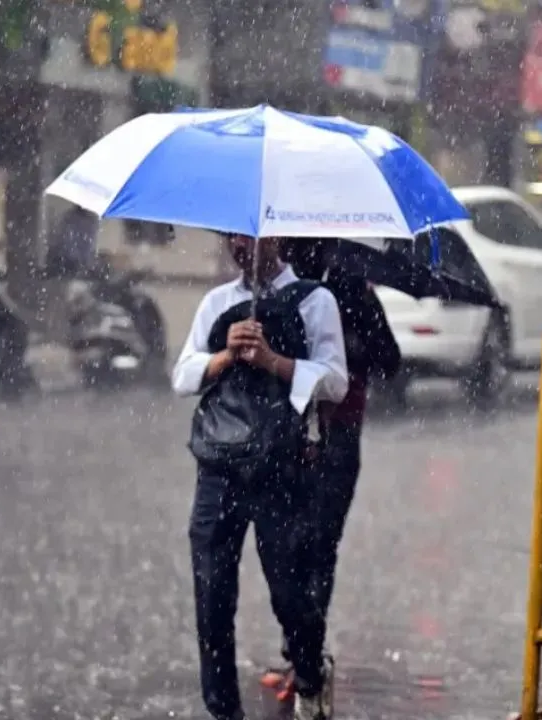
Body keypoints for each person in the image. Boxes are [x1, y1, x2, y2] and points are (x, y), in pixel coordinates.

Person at [172, 233, 349, 720]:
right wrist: (225, 356)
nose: (239, 244)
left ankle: (310, 672)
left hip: (281, 469)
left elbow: (336, 381)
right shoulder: (217, 303)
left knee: (290, 592)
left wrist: (273, 361)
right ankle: (223, 710)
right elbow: (183, 375)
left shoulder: (314, 301)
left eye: (249, 236)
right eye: (231, 235)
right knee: (212, 596)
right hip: (219, 467)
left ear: (277, 236)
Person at [261, 237, 401, 700]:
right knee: (293, 547)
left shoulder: (349, 292)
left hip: (335, 433)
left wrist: (343, 348)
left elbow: (388, 359)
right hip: (291, 434)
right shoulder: (285, 292)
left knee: (314, 547)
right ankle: (301, 652)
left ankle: (306, 659)